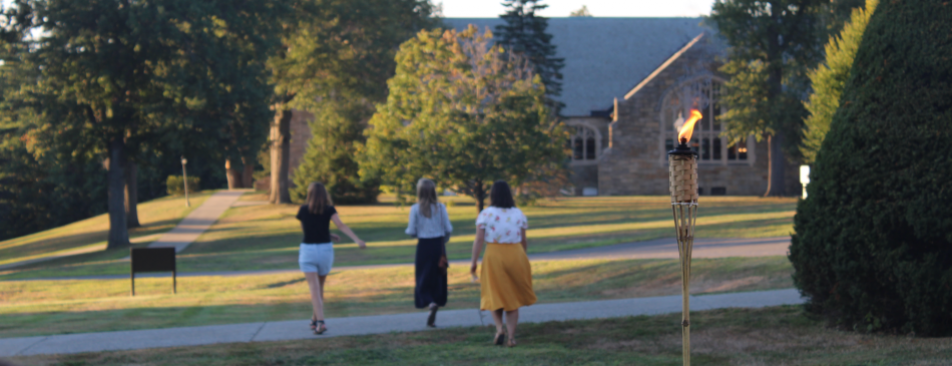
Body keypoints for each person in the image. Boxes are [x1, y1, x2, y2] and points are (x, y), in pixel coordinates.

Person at [469, 180, 536, 347]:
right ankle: (512, 338)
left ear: (493, 195)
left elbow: (479, 240)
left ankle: (500, 329)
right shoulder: (518, 213)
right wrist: (522, 258)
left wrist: (473, 262)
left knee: (494, 293)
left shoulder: (486, 214)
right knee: (512, 297)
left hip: (494, 255)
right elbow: (523, 240)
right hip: (515, 254)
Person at [296, 182, 366, 335]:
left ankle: (320, 322)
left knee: (314, 289)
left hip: (308, 250)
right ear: (324, 194)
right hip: (324, 251)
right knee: (320, 287)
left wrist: (328, 234)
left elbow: (308, 232)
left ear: (309, 194)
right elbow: (340, 225)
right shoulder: (329, 209)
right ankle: (316, 320)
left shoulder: (302, 210)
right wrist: (356, 240)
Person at [406, 178, 453, 327]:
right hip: (438, 246)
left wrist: (419, 232)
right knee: (438, 277)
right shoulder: (441, 207)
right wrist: (442, 241)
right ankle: (436, 302)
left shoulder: (415, 208)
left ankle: (430, 302)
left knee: (423, 277)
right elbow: (448, 229)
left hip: (424, 246)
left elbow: (411, 231)